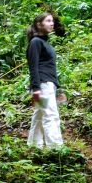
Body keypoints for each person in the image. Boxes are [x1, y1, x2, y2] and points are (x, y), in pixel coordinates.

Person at [26, 12, 67, 148]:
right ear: (39, 24)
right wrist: (36, 89)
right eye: (48, 21)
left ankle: (33, 146)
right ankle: (56, 149)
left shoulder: (44, 43)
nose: (52, 23)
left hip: (48, 85)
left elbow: (50, 68)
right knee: (51, 115)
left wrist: (58, 88)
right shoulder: (36, 42)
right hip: (43, 85)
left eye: (52, 21)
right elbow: (33, 67)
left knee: (39, 115)